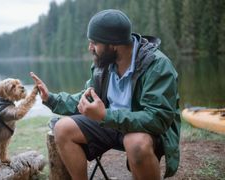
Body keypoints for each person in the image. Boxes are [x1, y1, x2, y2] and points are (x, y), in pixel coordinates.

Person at [30, 9, 180, 180]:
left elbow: (158, 119)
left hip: (144, 130)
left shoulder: (157, 65)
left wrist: (105, 115)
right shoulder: (104, 63)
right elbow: (86, 98)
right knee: (62, 128)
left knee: (136, 143)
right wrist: (51, 98)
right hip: (109, 122)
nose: (90, 48)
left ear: (113, 44)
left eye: (94, 42)